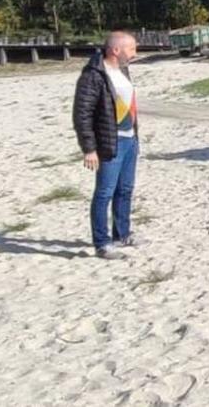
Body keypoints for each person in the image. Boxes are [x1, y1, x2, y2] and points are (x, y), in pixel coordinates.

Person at [72, 31, 141, 260]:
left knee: (125, 189)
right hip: (109, 143)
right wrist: (89, 149)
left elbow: (126, 105)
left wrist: (135, 135)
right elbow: (82, 114)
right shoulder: (93, 75)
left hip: (130, 139)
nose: (135, 53)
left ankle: (122, 234)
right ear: (116, 50)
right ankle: (102, 243)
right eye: (131, 49)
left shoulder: (123, 69)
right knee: (104, 193)